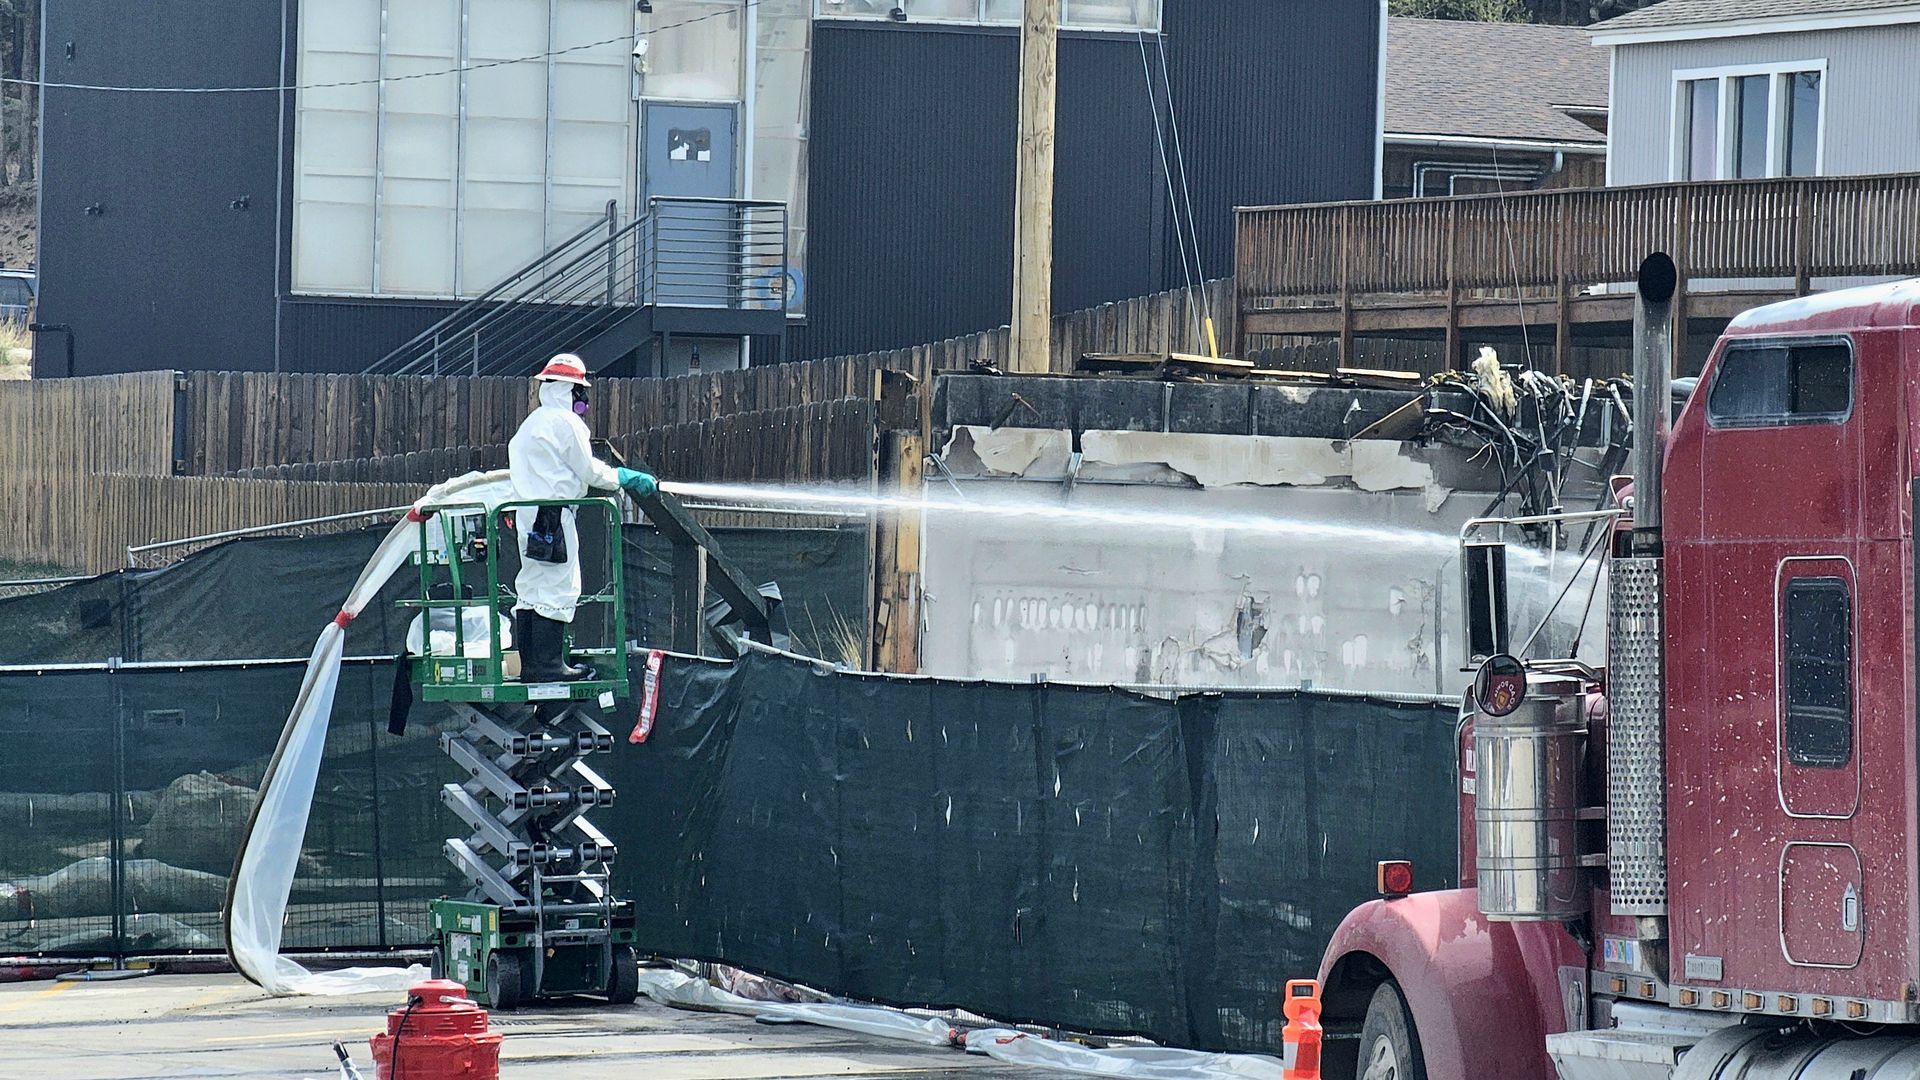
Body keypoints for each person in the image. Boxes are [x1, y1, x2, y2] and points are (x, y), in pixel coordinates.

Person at [507, 353, 656, 681]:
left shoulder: (531, 423)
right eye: (578, 390)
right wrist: (623, 477)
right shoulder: (567, 423)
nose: (582, 399)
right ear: (565, 389)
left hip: (527, 514)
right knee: (560, 585)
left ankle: (533, 666)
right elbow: (588, 471)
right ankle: (549, 667)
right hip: (554, 515)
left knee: (532, 586)